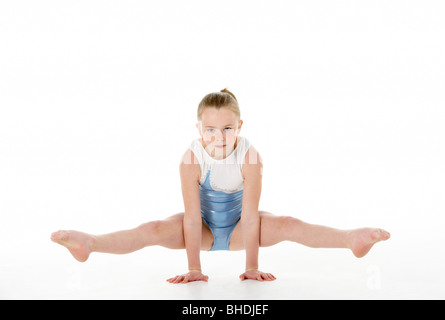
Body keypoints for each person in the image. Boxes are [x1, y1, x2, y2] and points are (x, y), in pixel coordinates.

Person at [51, 88, 390, 284]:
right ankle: (89, 243)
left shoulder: (250, 155)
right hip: (200, 230)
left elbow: (252, 215)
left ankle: (351, 239)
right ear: (199, 130)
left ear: (239, 126)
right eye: (211, 130)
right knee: (152, 228)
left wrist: (251, 267)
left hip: (243, 228)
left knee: (288, 224)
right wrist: (195, 269)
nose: (220, 137)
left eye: (228, 129)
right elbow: (190, 216)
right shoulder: (191, 157)